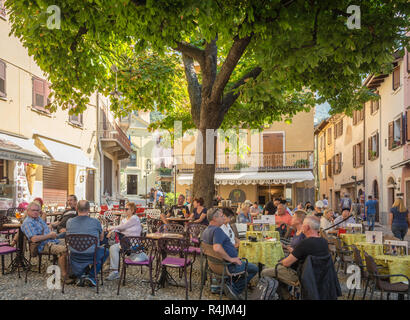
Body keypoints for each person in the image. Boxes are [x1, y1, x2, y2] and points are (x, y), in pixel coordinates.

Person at [261, 216, 329, 300]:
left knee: (265, 272)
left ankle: (287, 297)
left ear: (307, 227)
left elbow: (287, 263)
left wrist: (280, 262)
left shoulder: (305, 243)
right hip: (321, 276)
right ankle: (287, 296)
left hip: (302, 277)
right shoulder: (324, 242)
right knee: (279, 271)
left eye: (303, 224)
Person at [201, 208, 258, 299]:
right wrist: (231, 259)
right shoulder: (217, 230)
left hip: (214, 266)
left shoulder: (206, 230)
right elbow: (217, 248)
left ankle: (229, 285)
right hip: (227, 266)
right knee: (254, 268)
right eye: (221, 216)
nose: (224, 218)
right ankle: (234, 289)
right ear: (215, 218)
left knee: (245, 263)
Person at [20, 201, 69, 284]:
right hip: (42, 245)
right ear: (28, 211)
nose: (35, 212)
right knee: (63, 250)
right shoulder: (28, 222)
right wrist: (49, 236)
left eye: (37, 210)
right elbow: (34, 239)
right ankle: (64, 276)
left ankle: (72, 271)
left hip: (51, 240)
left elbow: (46, 228)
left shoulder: (38, 219)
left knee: (71, 243)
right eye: (33, 210)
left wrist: (50, 231)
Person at [66, 200, 109, 287]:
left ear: (77, 208)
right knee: (106, 251)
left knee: (86, 249)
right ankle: (92, 275)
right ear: (89, 209)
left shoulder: (69, 222)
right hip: (91, 255)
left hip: (75, 255)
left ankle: (81, 275)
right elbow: (101, 239)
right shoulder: (96, 222)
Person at [106, 202, 144, 281]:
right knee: (111, 245)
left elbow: (123, 227)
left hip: (133, 243)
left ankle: (114, 270)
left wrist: (111, 228)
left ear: (133, 210)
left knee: (112, 246)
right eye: (124, 209)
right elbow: (120, 228)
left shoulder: (134, 218)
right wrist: (113, 230)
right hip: (125, 242)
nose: (125, 210)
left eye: (127, 209)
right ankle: (112, 268)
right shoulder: (124, 220)